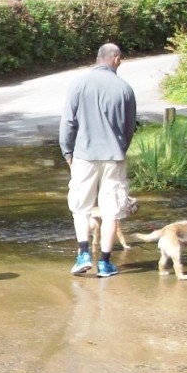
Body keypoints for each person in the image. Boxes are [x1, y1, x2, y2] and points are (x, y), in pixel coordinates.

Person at [59, 43, 137, 277]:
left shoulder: (79, 84)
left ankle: (83, 255)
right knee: (111, 211)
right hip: (114, 158)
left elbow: (68, 123)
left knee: (80, 208)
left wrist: (68, 153)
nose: (120, 63)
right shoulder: (125, 89)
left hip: (84, 156)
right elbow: (129, 126)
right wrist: (120, 148)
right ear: (115, 59)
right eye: (120, 60)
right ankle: (104, 263)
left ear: (98, 58)